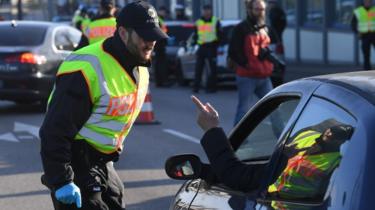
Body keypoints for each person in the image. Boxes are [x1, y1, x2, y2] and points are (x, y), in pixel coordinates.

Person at [39, 1, 168, 209]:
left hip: (103, 161)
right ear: (124, 33)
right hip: (76, 160)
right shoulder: (85, 69)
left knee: (116, 198)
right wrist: (61, 180)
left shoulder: (139, 65)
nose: (151, 42)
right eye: (145, 36)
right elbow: (54, 129)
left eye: (154, 36)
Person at [191, 96, 353, 196]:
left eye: (337, 135)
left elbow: (237, 176)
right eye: (331, 130)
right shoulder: (309, 138)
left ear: (343, 143)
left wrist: (212, 128)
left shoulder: (333, 163)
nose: (330, 134)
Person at [228, 0, 274, 126]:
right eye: (257, 9)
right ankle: (235, 142)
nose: (260, 12)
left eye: (262, 9)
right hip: (247, 76)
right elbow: (233, 51)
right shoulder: (241, 28)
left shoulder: (264, 27)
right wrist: (247, 64)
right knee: (244, 110)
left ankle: (285, 141)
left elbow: (267, 48)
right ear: (250, 10)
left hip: (264, 76)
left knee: (275, 109)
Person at [192, 4, 222, 93]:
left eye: (208, 10)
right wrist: (196, 42)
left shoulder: (216, 21)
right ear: (202, 11)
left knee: (212, 69)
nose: (206, 12)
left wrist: (216, 44)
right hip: (201, 47)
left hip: (211, 47)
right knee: (198, 68)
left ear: (211, 11)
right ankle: (196, 87)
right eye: (205, 10)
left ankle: (212, 88)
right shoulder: (198, 22)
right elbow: (195, 35)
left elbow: (220, 35)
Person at [351, 0, 375, 70]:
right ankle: (367, 70)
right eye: (366, 1)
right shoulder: (358, 11)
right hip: (364, 35)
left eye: (369, 1)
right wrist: (357, 32)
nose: (368, 3)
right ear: (363, 2)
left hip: (374, 34)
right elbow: (353, 24)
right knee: (366, 54)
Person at [153, 6, 172, 87]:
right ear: (160, 11)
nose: (165, 13)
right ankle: (162, 81)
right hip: (159, 44)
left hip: (160, 44)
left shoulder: (160, 19)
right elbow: (158, 32)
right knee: (161, 64)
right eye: (164, 11)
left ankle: (160, 81)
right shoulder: (158, 19)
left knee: (159, 63)